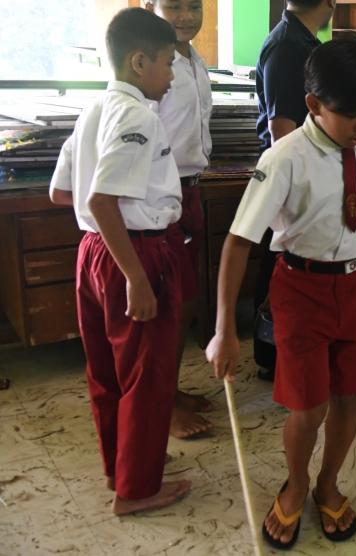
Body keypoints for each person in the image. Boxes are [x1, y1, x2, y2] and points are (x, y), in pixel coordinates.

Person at [206, 36, 356, 549]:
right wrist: (224, 329)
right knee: (308, 406)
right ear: (314, 105)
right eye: (352, 115)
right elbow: (236, 242)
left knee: (348, 397)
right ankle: (296, 485)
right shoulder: (285, 158)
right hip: (302, 290)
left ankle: (328, 482)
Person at [49, 8, 191, 514]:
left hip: (94, 252)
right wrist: (135, 273)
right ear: (139, 61)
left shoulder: (92, 110)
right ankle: (136, 491)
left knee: (107, 372)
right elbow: (101, 201)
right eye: (168, 63)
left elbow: (62, 192)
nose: (172, 76)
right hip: (134, 252)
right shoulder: (137, 116)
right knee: (147, 377)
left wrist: (106, 234)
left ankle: (122, 466)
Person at [145, 0, 214, 440]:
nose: (186, 15)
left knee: (185, 301)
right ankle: (160, 404)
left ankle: (169, 388)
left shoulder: (192, 57)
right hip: (161, 195)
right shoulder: (150, 63)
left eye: (194, 5)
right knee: (166, 305)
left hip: (190, 188)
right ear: (150, 6)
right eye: (174, 5)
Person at [253, 0, 332, 381]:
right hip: (288, 178)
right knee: (280, 265)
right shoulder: (287, 47)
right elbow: (281, 128)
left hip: (300, 171)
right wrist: (301, 186)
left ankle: (288, 352)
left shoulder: (304, 42)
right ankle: (274, 356)